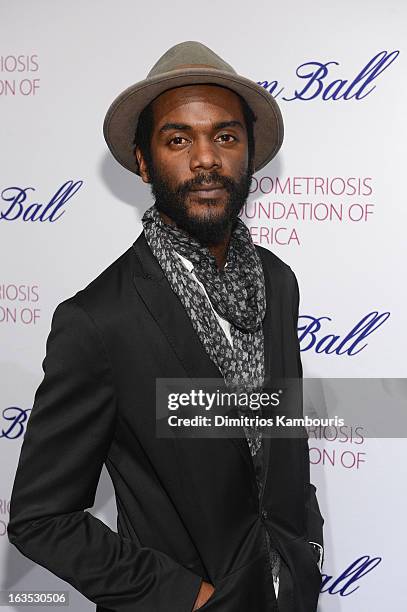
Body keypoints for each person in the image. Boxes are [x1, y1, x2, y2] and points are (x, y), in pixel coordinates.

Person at [7, 41, 324, 612]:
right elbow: (41, 518)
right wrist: (188, 599)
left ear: (249, 153)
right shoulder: (99, 320)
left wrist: (308, 546)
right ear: (146, 161)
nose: (206, 159)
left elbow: (281, 435)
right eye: (179, 139)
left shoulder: (277, 282)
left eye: (225, 136)